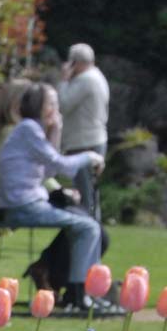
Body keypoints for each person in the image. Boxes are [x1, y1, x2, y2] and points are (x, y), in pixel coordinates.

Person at [0, 82, 110, 314]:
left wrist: (56, 130)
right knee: (88, 228)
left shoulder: (30, 130)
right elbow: (62, 166)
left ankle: (80, 293)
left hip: (25, 202)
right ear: (40, 106)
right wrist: (89, 156)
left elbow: (50, 170)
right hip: (22, 205)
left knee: (86, 225)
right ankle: (79, 296)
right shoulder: (28, 129)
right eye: (53, 103)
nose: (57, 108)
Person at [58, 43, 109, 219]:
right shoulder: (98, 76)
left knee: (85, 197)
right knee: (92, 195)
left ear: (75, 63)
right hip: (95, 140)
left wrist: (64, 80)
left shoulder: (85, 80)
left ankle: (91, 239)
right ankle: (95, 236)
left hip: (84, 143)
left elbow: (63, 105)